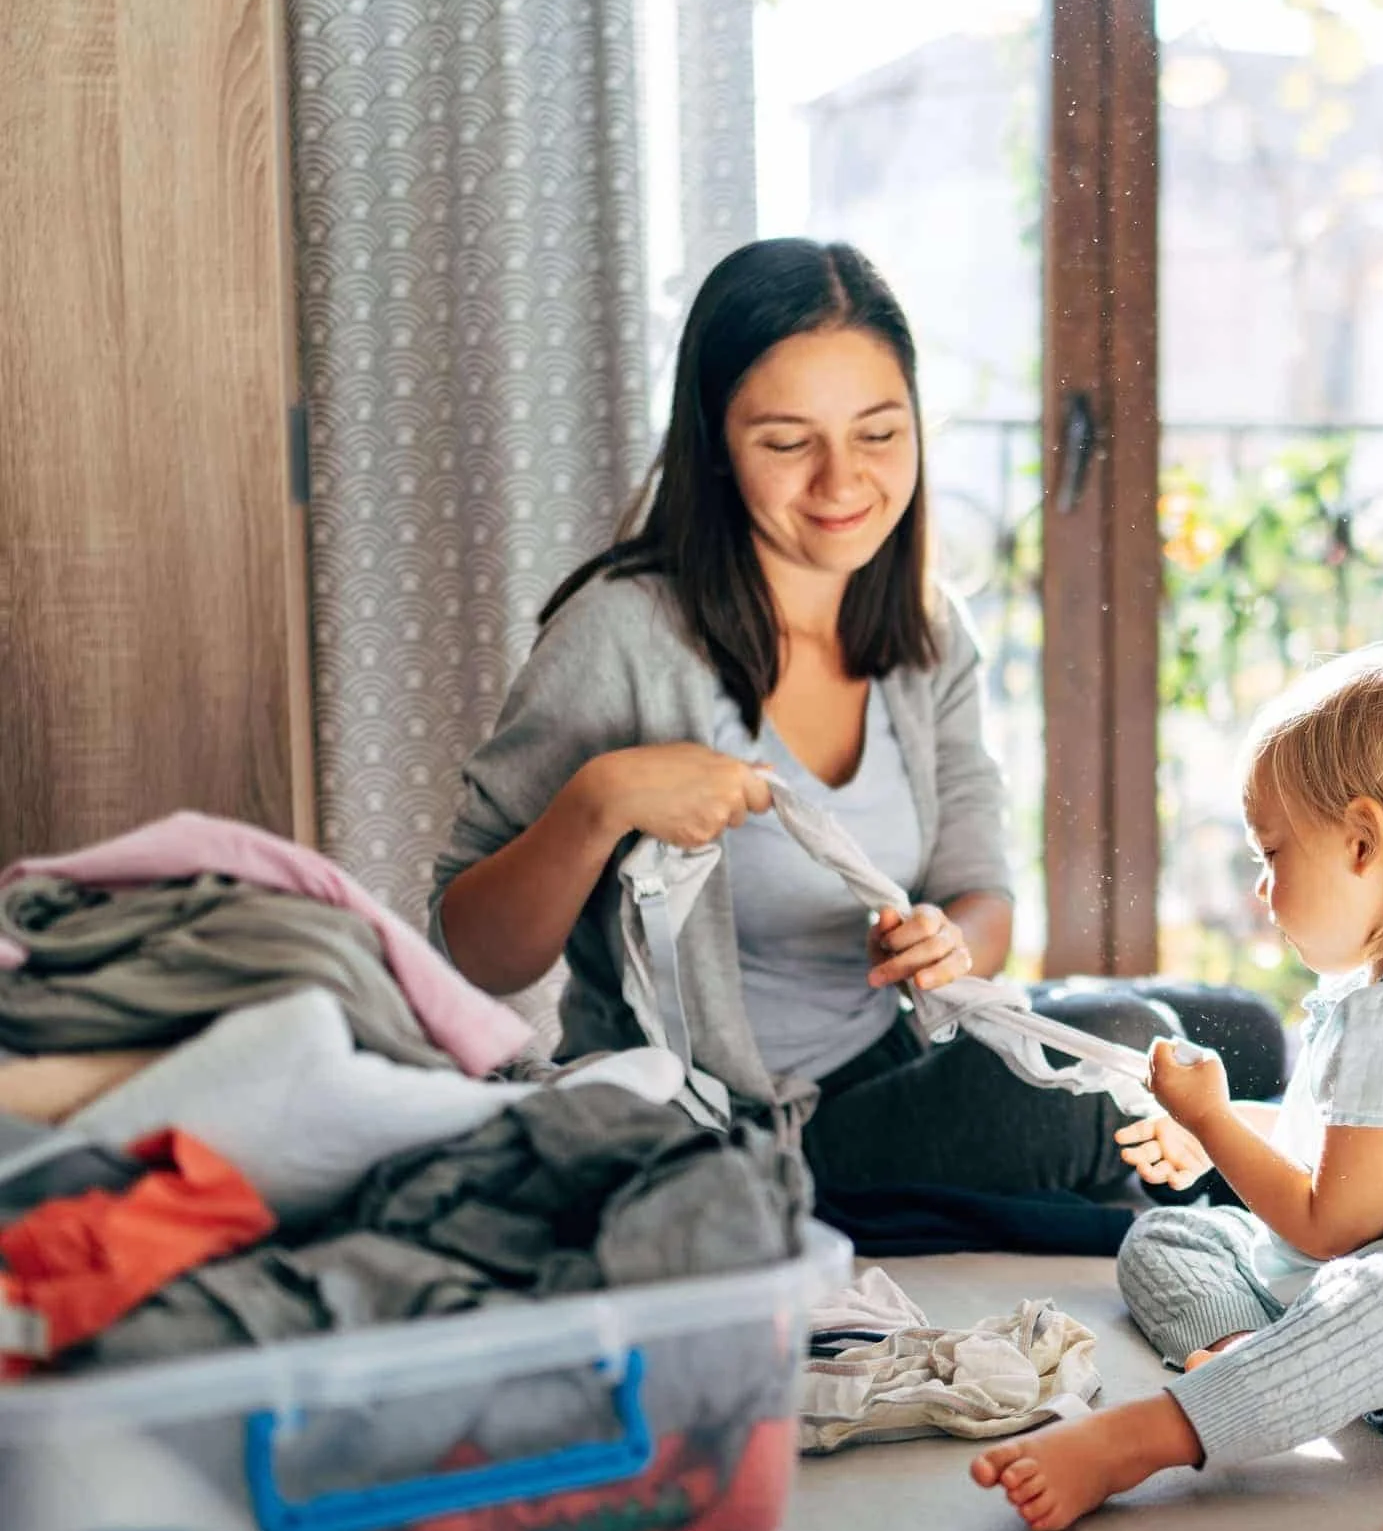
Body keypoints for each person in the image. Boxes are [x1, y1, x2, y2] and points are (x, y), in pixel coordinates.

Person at [429, 236, 1282, 1207]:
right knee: (1132, 1055)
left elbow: (981, 895)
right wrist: (598, 800)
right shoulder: (622, 634)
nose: (841, 483)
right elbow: (469, 953)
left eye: (878, 433)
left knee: (1236, 1033)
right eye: (788, 442)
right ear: (714, 446)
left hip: (901, 1050)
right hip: (750, 1128)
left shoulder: (925, 628)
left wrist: (946, 941)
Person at [972, 645, 1383, 1531]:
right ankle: (1258, 1366)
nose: (1263, 886)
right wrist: (1224, 1128)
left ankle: (1143, 1438)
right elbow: (1342, 1147)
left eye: (1273, 851)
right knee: (1170, 1235)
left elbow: (1333, 1222)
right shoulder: (1382, 991)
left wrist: (1208, 1116)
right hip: (1369, 1257)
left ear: (1364, 840)